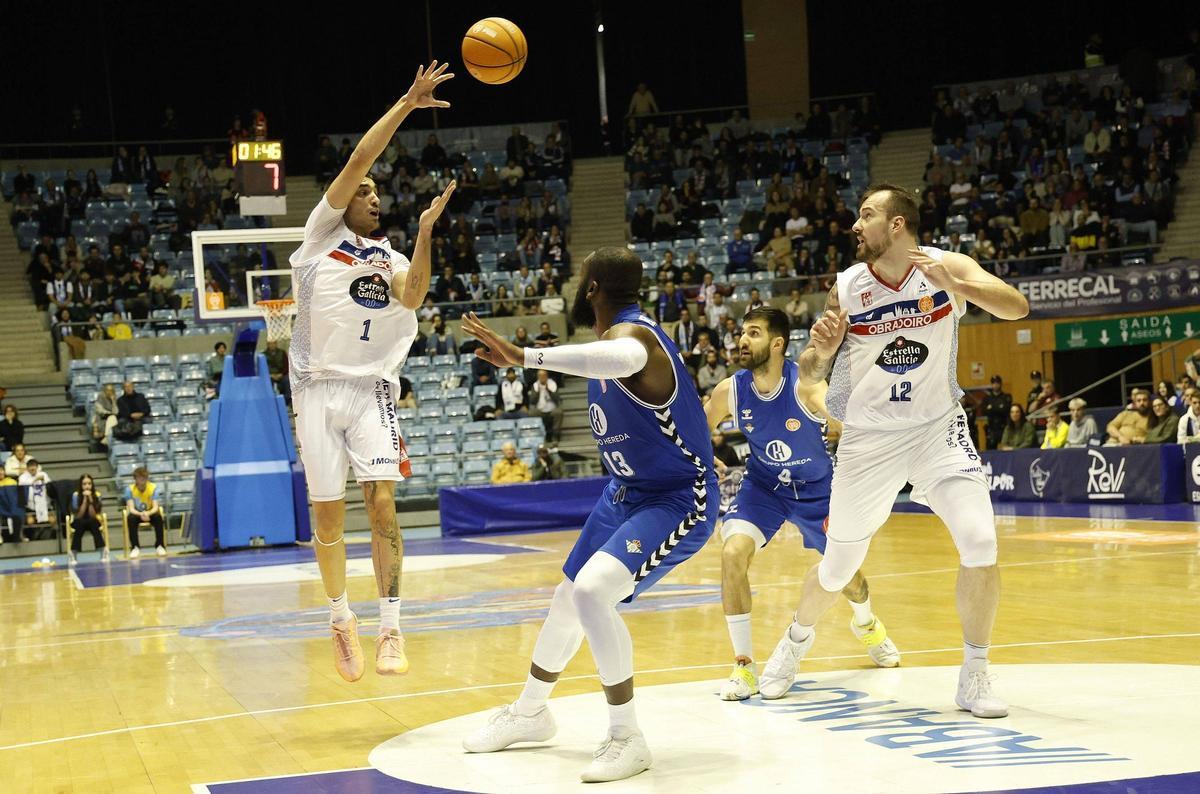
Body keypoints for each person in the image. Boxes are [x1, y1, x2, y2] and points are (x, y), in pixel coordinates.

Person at [757, 183, 1028, 716]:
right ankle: (793, 643)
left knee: (980, 541)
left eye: (866, 215)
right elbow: (809, 370)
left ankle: (975, 675)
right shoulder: (848, 286)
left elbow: (1016, 308)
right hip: (869, 439)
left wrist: (959, 287)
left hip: (936, 429)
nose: (855, 225)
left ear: (897, 224)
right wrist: (824, 351)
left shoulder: (948, 267)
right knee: (837, 569)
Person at [461, 246, 718, 782]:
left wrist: (526, 356)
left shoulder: (637, 337)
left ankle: (627, 737)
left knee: (592, 591)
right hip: (625, 491)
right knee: (566, 598)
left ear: (593, 288)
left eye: (581, 280)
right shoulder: (608, 341)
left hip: (678, 496)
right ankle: (531, 713)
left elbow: (622, 360)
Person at [286, 60, 455, 682]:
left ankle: (390, 628)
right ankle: (340, 620)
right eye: (367, 190)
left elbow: (412, 297)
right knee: (327, 518)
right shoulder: (318, 234)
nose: (375, 195)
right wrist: (408, 102)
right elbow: (360, 156)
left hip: (370, 391)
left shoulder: (385, 254)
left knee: (383, 507)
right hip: (314, 389)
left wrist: (427, 233)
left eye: (379, 192)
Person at [705, 308, 899, 700]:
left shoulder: (805, 386)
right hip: (764, 488)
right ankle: (744, 667)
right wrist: (701, 454)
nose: (742, 340)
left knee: (846, 576)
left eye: (753, 333)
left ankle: (866, 623)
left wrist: (842, 426)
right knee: (732, 553)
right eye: (742, 332)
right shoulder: (732, 389)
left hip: (817, 490)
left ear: (777, 344)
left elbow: (845, 424)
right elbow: (698, 425)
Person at [124, 466, 165, 558]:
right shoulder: (129, 490)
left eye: (144, 477)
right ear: (135, 479)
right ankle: (135, 547)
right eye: (139, 477)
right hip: (137, 513)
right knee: (130, 518)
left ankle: (160, 545)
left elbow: (155, 507)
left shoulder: (154, 488)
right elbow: (131, 508)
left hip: (150, 512)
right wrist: (141, 514)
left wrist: (148, 513)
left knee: (158, 517)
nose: (142, 479)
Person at [69, 473, 109, 565]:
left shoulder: (97, 495)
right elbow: (78, 515)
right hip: (80, 520)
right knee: (79, 524)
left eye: (89, 484)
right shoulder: (75, 495)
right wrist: (84, 501)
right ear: (81, 485)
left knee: (93, 522)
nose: (87, 486)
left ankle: (103, 551)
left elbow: (94, 515)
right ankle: (73, 553)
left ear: (92, 484)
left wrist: (90, 501)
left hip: (92, 519)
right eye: (84, 484)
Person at [528, 369, 563, 443]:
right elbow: (532, 401)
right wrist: (538, 392)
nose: (542, 377)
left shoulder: (552, 384)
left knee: (558, 412)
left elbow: (557, 399)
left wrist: (548, 390)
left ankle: (555, 436)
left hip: (552, 408)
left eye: (543, 376)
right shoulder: (535, 385)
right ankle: (538, 437)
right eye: (540, 376)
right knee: (531, 413)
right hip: (540, 409)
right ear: (537, 377)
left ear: (547, 376)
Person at [979, 376, 1012, 450]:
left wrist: (991, 408)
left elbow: (1006, 410)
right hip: (991, 427)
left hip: (1003, 426)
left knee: (1005, 448)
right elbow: (983, 411)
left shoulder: (1006, 396)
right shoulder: (987, 398)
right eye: (993, 383)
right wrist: (999, 407)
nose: (995, 385)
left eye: (997, 383)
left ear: (1000, 384)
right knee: (990, 449)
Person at [91, 384, 120, 449]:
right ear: (104, 391)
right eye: (107, 390)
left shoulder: (115, 399)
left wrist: (113, 402)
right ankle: (107, 438)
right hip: (101, 418)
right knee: (112, 418)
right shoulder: (99, 399)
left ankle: (107, 437)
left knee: (112, 418)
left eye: (111, 391)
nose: (109, 392)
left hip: (111, 419)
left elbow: (116, 412)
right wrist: (110, 413)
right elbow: (101, 411)